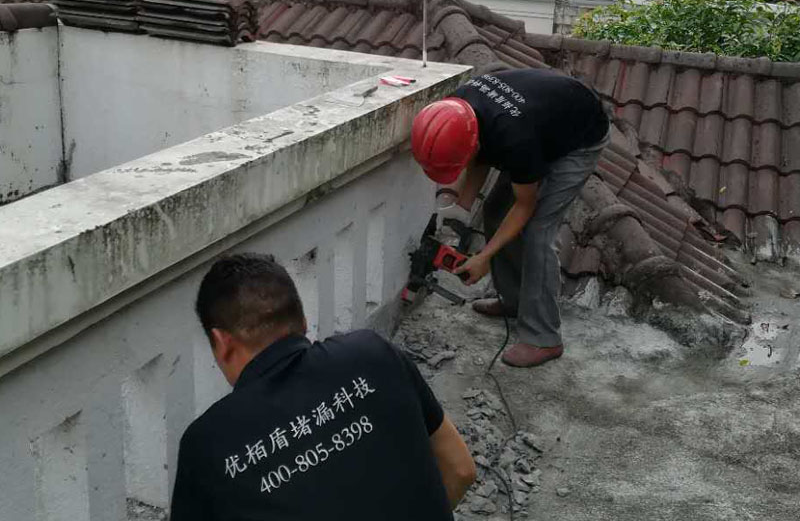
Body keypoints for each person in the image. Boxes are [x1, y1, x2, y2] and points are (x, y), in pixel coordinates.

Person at [171, 253, 475, 521]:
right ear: (303, 321)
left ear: (222, 342)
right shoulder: (373, 354)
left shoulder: (207, 445)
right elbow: (461, 469)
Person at [411, 68, 610, 368]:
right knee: (493, 210)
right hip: (542, 125)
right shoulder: (458, 108)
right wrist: (461, 210)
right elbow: (479, 155)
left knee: (537, 233)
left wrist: (485, 257)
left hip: (580, 137)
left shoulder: (515, 138)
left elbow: (524, 206)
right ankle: (515, 299)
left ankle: (544, 338)